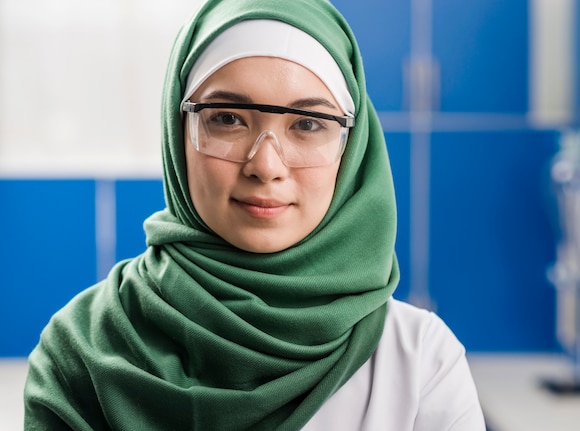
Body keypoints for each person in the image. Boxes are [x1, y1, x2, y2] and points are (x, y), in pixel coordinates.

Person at [24, 0, 486, 429]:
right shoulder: (81, 349)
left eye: (307, 125)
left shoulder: (419, 360)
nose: (266, 166)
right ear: (176, 131)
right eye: (227, 118)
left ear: (353, 149)